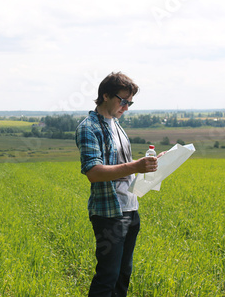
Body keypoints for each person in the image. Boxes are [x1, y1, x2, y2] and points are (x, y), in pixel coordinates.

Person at [75, 72, 164, 297]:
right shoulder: (89, 127)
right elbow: (94, 172)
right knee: (108, 277)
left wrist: (152, 165)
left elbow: (126, 165)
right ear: (105, 95)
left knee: (123, 275)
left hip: (130, 208)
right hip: (109, 213)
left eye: (130, 103)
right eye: (123, 101)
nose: (126, 107)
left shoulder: (116, 124)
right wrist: (136, 166)